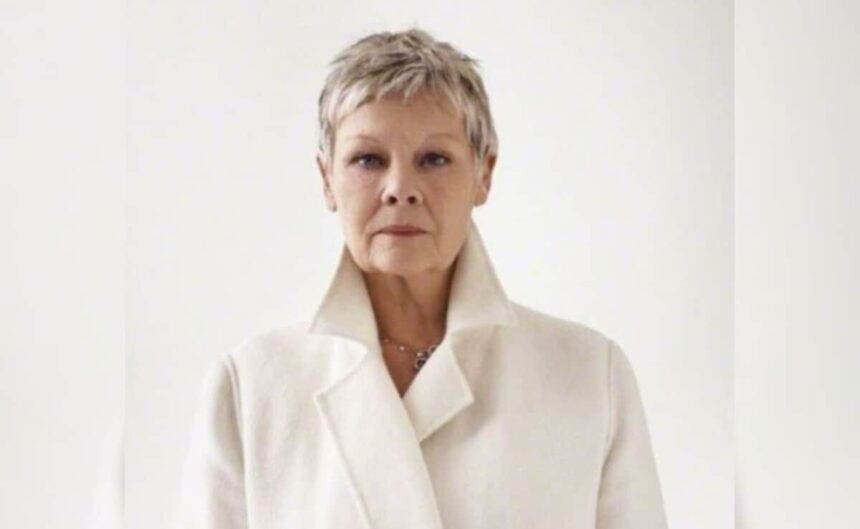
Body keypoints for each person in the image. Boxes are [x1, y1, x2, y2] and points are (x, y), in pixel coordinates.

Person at [175, 27, 669, 529]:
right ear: (327, 179)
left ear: (484, 174)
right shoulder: (251, 389)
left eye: (434, 159)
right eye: (368, 160)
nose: (400, 188)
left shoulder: (589, 376)